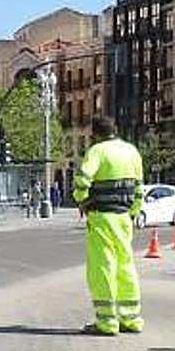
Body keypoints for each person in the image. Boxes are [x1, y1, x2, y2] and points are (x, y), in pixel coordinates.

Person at [73, 117, 145, 336]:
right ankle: (131, 318)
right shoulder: (131, 151)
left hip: (102, 217)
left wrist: (81, 200)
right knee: (125, 266)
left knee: (103, 267)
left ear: (95, 134)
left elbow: (82, 180)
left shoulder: (97, 151)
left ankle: (107, 322)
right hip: (124, 217)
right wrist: (133, 212)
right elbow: (139, 188)